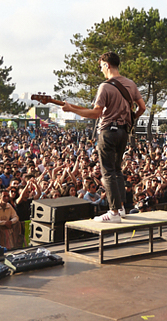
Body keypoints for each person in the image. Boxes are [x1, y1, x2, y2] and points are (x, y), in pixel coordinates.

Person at [61, 52, 146, 223]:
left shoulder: (105, 87)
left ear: (107, 65)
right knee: (117, 170)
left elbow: (96, 113)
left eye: (101, 66)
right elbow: (142, 107)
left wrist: (71, 109)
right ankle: (120, 208)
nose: (101, 70)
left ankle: (113, 212)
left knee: (107, 172)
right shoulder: (131, 84)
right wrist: (130, 119)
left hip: (108, 131)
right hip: (123, 131)